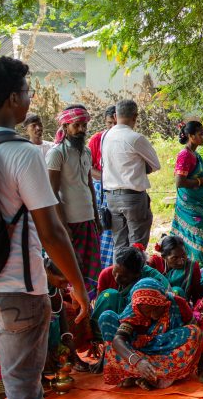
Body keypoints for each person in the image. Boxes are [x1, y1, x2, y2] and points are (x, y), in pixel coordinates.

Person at [0, 56, 93, 399]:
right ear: (13, 99)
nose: (31, 100)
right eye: (28, 93)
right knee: (22, 391)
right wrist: (78, 286)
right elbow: (51, 231)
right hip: (17, 294)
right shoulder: (23, 154)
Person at [46, 105, 100, 293]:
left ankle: (85, 308)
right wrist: (63, 227)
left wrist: (97, 217)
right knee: (69, 271)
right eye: (76, 125)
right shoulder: (56, 153)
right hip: (69, 222)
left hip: (87, 219)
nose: (81, 130)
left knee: (88, 271)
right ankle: (69, 311)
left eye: (84, 125)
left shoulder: (86, 151)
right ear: (66, 126)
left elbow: (90, 186)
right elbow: (52, 193)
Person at [101, 99, 161, 250]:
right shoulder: (135, 138)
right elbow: (155, 165)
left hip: (112, 197)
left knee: (119, 245)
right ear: (135, 116)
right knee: (137, 245)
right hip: (133, 197)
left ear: (115, 116)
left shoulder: (105, 136)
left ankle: (118, 273)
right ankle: (136, 273)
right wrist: (140, 167)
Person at [171, 121, 203, 264]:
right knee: (201, 237)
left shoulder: (194, 154)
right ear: (191, 136)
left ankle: (198, 268)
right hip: (190, 207)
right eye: (201, 134)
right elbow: (180, 182)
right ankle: (200, 267)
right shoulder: (185, 155)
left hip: (198, 203)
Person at [88, 105, 117, 271]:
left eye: (115, 123)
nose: (112, 127)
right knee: (101, 230)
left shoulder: (125, 140)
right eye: (109, 123)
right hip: (99, 192)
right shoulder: (97, 139)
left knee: (116, 234)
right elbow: (88, 168)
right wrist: (107, 177)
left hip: (119, 192)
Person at [150, 235, 203, 302]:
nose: (181, 262)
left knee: (177, 291)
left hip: (181, 306)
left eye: (183, 255)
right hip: (157, 303)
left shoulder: (192, 266)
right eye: (175, 258)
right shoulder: (155, 263)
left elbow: (196, 293)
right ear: (164, 257)